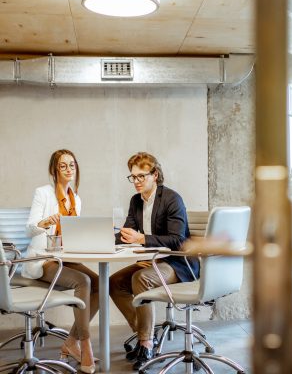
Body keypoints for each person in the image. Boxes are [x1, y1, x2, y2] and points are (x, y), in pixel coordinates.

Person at [109, 152, 199, 370]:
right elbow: (127, 233)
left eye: (141, 176)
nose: (137, 182)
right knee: (114, 283)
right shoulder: (135, 201)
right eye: (133, 177)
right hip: (153, 260)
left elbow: (177, 240)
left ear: (155, 175)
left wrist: (142, 239)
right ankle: (144, 332)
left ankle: (146, 342)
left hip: (178, 262)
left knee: (141, 279)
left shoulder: (171, 199)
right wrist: (102, 239)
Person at [22, 149, 98, 374]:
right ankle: (85, 344)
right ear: (54, 170)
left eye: (72, 165)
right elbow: (29, 229)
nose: (68, 169)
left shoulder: (77, 199)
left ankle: (71, 342)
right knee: (83, 282)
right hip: (43, 259)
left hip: (66, 257)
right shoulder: (43, 193)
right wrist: (45, 222)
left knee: (101, 283)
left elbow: (73, 234)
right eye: (63, 165)